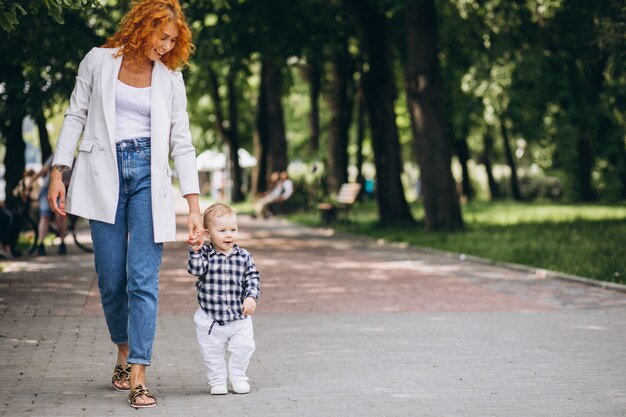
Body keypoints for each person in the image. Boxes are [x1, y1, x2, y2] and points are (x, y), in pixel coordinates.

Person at [48, 0, 204, 409]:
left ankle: (138, 371)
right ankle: (122, 346)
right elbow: (75, 116)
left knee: (142, 279)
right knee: (111, 279)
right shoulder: (98, 61)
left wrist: (193, 205)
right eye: (162, 36)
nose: (167, 46)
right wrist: (57, 172)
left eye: (174, 40)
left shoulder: (170, 77)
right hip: (103, 173)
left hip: (149, 177)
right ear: (142, 27)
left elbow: (181, 143)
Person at [188, 203, 260, 395]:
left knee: (244, 346)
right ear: (208, 234)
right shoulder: (205, 255)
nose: (229, 235)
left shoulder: (244, 256)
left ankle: (238, 374)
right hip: (210, 319)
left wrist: (251, 297)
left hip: (239, 316)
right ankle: (217, 379)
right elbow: (195, 270)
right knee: (212, 353)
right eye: (222, 230)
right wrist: (195, 249)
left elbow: (252, 277)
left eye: (233, 229)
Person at [33, 154, 69, 256]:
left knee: (61, 215)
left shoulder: (75, 161)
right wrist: (30, 182)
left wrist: (64, 184)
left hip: (63, 191)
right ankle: (41, 244)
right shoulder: (56, 156)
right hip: (47, 189)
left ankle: (62, 242)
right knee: (44, 216)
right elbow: (43, 171)